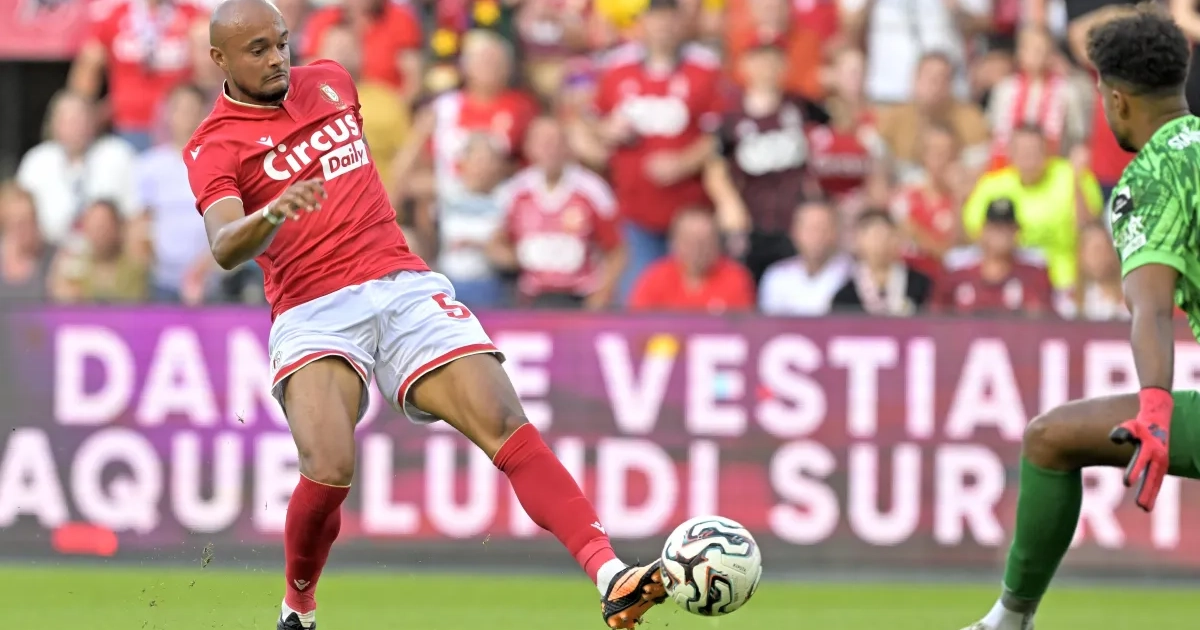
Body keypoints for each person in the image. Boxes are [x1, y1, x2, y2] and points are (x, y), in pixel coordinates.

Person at [187, 3, 665, 630]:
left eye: (280, 43)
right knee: (330, 465)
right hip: (313, 305)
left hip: (400, 282)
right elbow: (225, 246)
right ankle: (298, 606)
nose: (277, 58)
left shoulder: (330, 81)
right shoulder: (213, 144)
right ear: (219, 59)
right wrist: (273, 212)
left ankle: (611, 576)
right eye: (258, 50)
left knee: (503, 418)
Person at [959, 6, 1200, 629]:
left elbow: (1150, 305)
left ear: (1116, 101)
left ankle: (1008, 622)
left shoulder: (1151, 177)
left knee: (1051, 438)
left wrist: (1154, 406)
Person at [489, 116, 626, 309]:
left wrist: (601, 295)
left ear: (567, 146)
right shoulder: (515, 192)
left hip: (580, 297)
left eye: (554, 142)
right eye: (542, 142)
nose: (549, 150)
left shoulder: (592, 190)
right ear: (529, 147)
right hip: (531, 298)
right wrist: (517, 257)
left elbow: (617, 250)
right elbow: (497, 242)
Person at [933, 198, 1055, 316]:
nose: (1001, 235)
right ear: (982, 231)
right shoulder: (959, 274)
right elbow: (936, 317)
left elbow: (1044, 319)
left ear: (1017, 231)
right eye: (995, 228)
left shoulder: (1033, 275)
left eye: (1007, 228)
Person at [628, 208, 755, 313]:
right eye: (690, 242)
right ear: (674, 243)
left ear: (717, 243)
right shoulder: (655, 277)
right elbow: (638, 323)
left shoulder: (736, 278)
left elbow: (744, 328)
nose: (697, 249)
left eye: (704, 241)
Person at [758, 200, 852, 316]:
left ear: (836, 233)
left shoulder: (851, 275)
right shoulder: (776, 276)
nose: (816, 236)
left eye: (822, 228)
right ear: (794, 233)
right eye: (809, 228)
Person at [831, 209, 933, 315]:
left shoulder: (921, 285)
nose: (881, 243)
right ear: (859, 241)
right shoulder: (845, 294)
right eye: (874, 236)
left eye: (887, 236)